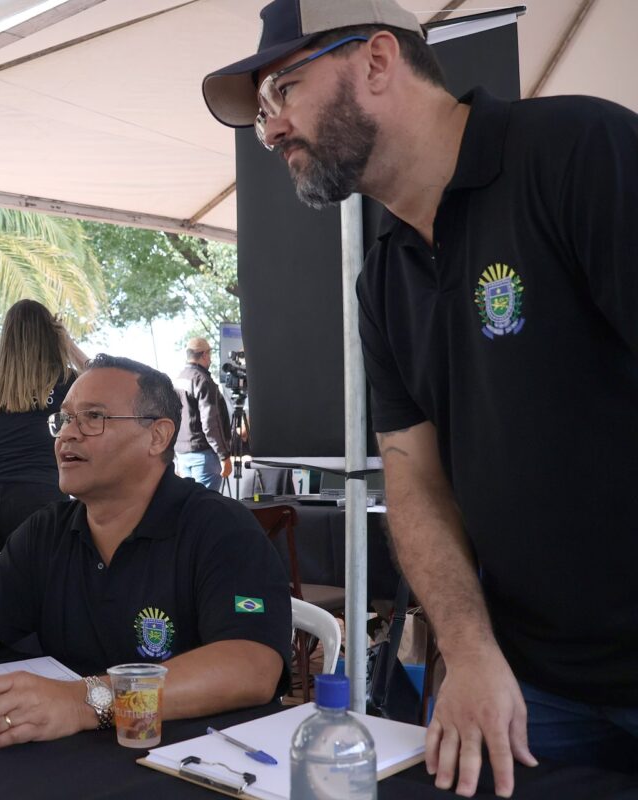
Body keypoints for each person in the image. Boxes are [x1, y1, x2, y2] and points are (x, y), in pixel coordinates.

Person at [201, 0, 638, 794]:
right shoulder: (384, 280)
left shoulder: (578, 150)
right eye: (259, 110)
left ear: (375, 61)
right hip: (529, 682)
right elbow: (415, 478)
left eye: (283, 91)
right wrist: (470, 654)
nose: (267, 129)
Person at [0, 355, 291, 748]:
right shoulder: (48, 532)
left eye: (93, 418)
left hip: (191, 761)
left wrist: (86, 702)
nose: (67, 435)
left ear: (158, 436)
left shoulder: (220, 528)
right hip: (67, 762)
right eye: (63, 420)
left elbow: (251, 665)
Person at [0, 299, 88, 551]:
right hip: (43, 491)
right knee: (42, 577)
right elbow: (103, 377)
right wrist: (69, 344)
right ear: (50, 334)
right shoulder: (68, 381)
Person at [173, 336, 232, 491]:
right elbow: (210, 422)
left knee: (189, 504)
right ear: (204, 354)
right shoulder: (202, 380)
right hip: (204, 455)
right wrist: (224, 456)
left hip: (182, 453)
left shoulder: (178, 379)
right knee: (205, 507)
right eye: (210, 355)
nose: (210, 360)